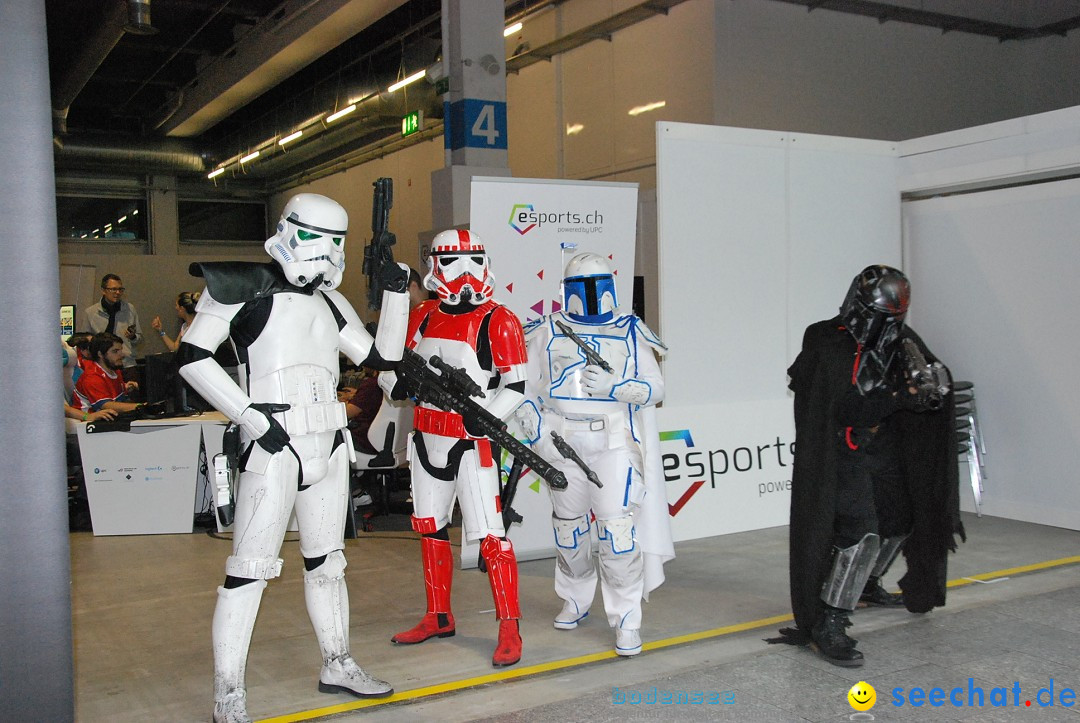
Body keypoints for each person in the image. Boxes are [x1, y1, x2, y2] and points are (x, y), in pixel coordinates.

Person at [176, 193, 410, 723]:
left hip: (328, 440)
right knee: (248, 572)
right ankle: (228, 693)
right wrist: (251, 417)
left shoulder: (331, 301)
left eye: (336, 241)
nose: (326, 252)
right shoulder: (240, 285)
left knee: (328, 563)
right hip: (274, 443)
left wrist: (397, 294)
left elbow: (381, 357)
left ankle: (338, 662)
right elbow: (192, 358)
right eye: (314, 237)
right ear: (287, 231)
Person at [774, 264, 962, 668]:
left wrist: (927, 387)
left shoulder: (901, 339)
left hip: (881, 445)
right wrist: (898, 396)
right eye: (880, 315)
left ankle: (867, 582)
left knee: (901, 515)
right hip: (839, 450)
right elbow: (842, 408)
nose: (886, 325)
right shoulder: (825, 338)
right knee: (861, 532)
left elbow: (926, 380)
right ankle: (829, 621)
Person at [380, 229, 528, 667]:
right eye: (452, 261)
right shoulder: (423, 314)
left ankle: (509, 626)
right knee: (430, 527)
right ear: (434, 265)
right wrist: (397, 383)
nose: (464, 271)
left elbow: (516, 386)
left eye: (473, 260)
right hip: (426, 437)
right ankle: (439, 616)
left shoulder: (499, 319)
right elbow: (388, 366)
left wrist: (486, 418)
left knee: (491, 536)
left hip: (472, 443)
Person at [514, 252, 674, 657]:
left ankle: (626, 618)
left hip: (613, 444)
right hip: (561, 442)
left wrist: (616, 387)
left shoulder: (631, 330)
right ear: (565, 289)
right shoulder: (546, 329)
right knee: (568, 531)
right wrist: (537, 431)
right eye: (580, 286)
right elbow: (523, 389)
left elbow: (656, 388)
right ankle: (575, 598)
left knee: (617, 534)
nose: (589, 294)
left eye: (596, 285)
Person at [72, 332, 142, 413]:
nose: (122, 355)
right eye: (115, 351)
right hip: (88, 418)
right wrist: (142, 406)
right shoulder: (92, 376)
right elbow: (106, 405)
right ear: (100, 354)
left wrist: (125, 387)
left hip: (108, 417)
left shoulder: (114, 370)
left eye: (121, 350)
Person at [86, 274, 142, 367]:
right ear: (103, 290)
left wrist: (133, 337)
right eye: (113, 289)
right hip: (102, 364)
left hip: (126, 363)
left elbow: (139, 339)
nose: (118, 292)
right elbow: (86, 342)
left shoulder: (130, 309)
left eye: (120, 289)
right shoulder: (91, 313)